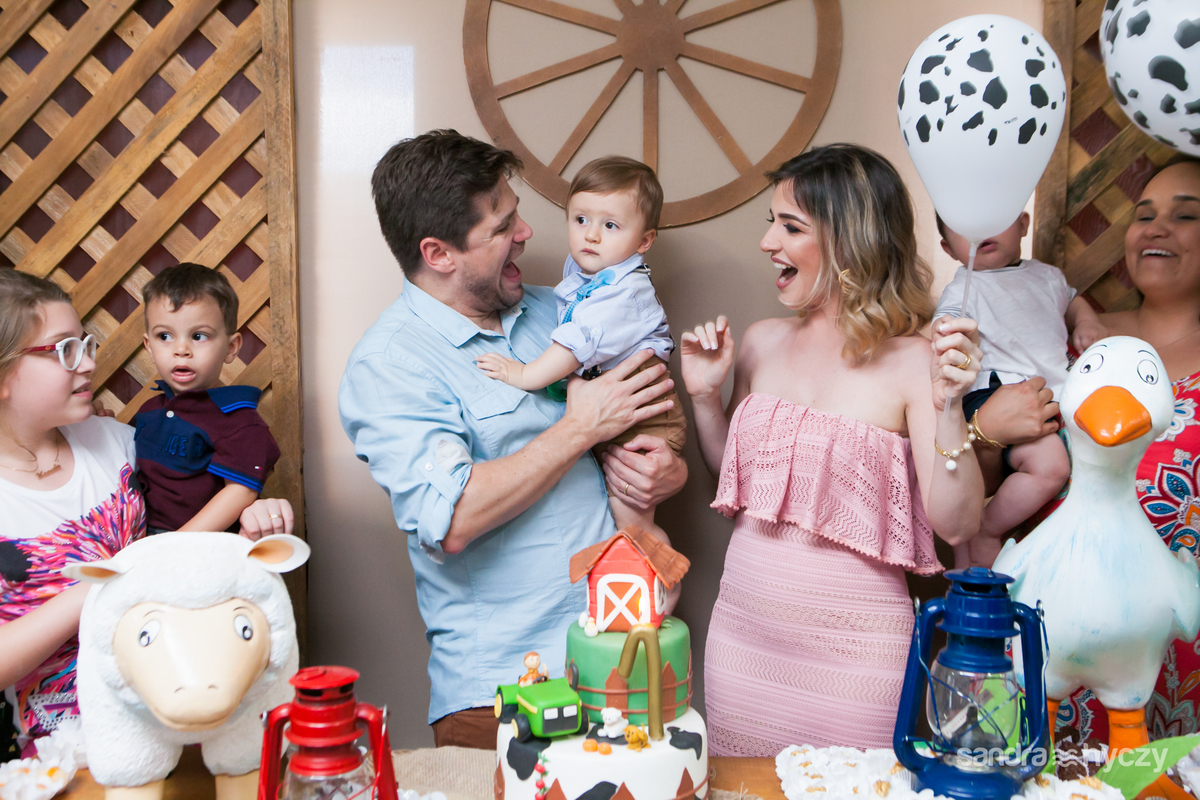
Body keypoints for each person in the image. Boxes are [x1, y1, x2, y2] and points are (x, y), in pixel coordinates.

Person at [338, 130, 687, 749]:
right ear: (439, 254)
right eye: (502, 226)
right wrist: (579, 428)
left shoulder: (563, 311)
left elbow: (639, 424)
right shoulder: (390, 365)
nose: (526, 232)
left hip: (623, 669)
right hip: (507, 692)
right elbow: (452, 518)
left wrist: (665, 471)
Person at [681, 144, 985, 755]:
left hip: (859, 663)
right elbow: (740, 483)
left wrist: (952, 408)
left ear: (851, 242)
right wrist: (705, 398)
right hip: (743, 646)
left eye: (791, 227)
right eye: (771, 222)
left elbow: (958, 524)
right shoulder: (760, 344)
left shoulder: (915, 363)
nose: (768, 242)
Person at [0, 270, 292, 760]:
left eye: (85, 344)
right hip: (62, 750)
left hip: (192, 712)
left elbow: (202, 505)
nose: (88, 362)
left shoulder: (119, 441)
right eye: (65, 350)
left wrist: (255, 515)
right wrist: (111, 582)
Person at [1056, 155, 1200, 747]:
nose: (1156, 228)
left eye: (1185, 215)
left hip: (1179, 640)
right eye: (1144, 214)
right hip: (1059, 635)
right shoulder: (1075, 346)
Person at [475, 156, 686, 544]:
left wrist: (523, 374)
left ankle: (657, 573)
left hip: (644, 418)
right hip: (613, 408)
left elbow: (574, 346)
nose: (591, 235)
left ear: (644, 242)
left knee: (631, 523)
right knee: (615, 515)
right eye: (581, 219)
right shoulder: (589, 273)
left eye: (610, 225)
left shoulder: (624, 292)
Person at [934, 212, 1107, 567]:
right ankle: (988, 528)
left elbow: (1071, 301)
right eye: (963, 227)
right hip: (998, 392)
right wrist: (946, 331)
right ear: (948, 248)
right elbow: (944, 324)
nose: (981, 229)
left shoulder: (1048, 275)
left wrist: (1086, 320)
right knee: (1051, 466)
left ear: (1024, 224)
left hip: (1047, 394)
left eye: (996, 215)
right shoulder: (965, 287)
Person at [135, 263, 281, 534]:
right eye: (164, 336)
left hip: (202, 544)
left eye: (198, 336)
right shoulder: (148, 411)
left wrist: (173, 545)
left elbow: (240, 492)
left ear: (231, 347)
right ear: (149, 346)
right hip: (139, 539)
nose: (181, 349)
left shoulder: (239, 422)